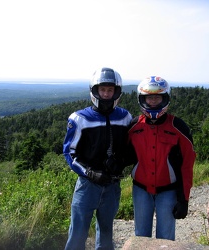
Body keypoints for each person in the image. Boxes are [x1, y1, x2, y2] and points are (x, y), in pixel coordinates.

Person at [63, 67, 132, 250]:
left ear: (116, 92)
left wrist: (122, 161)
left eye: (110, 90)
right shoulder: (80, 118)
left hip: (112, 184)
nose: (106, 94)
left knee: (107, 233)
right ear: (95, 91)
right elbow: (70, 153)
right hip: (87, 185)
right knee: (77, 233)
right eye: (103, 90)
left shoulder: (125, 117)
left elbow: (130, 147)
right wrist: (90, 172)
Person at [128, 76, 196, 241]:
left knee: (165, 239)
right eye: (149, 97)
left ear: (165, 98)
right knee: (141, 237)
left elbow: (187, 166)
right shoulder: (134, 126)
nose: (152, 101)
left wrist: (183, 199)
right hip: (140, 190)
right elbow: (124, 154)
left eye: (157, 97)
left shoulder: (179, 127)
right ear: (142, 99)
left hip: (168, 191)